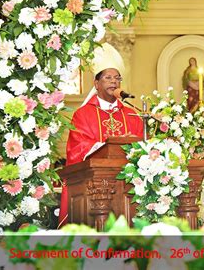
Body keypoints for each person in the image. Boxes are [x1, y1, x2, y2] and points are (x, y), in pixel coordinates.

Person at [59, 43, 144, 227]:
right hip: (94, 190)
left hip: (128, 190)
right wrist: (106, 146)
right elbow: (76, 149)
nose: (114, 82)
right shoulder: (83, 114)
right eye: (108, 77)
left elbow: (142, 149)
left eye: (117, 78)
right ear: (96, 84)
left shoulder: (132, 114)